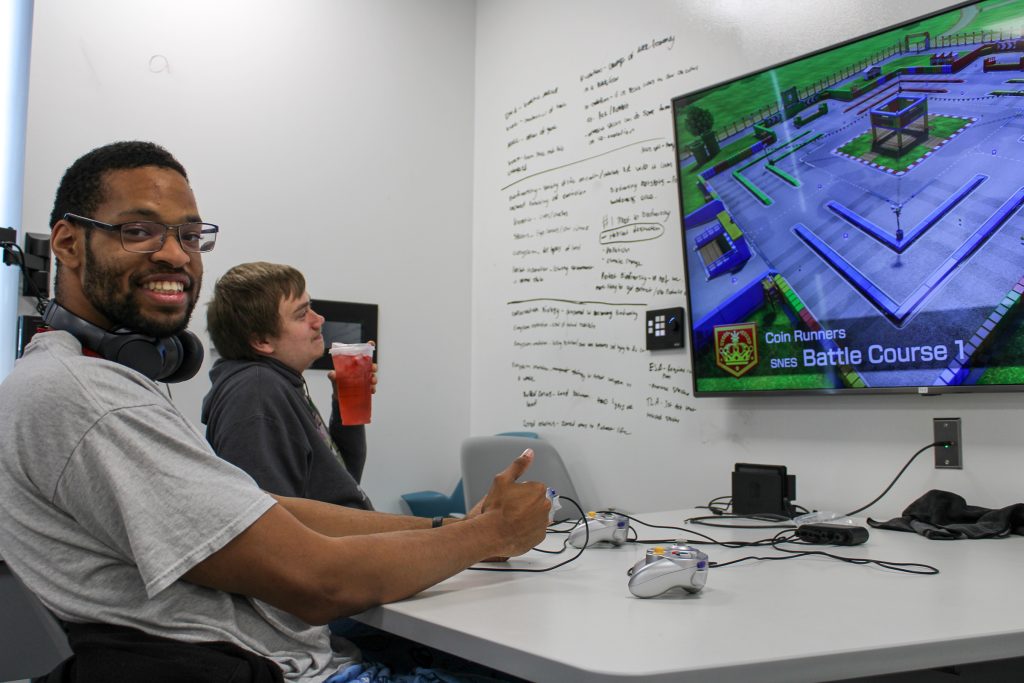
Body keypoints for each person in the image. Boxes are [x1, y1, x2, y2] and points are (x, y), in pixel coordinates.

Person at [0, 141, 550, 682]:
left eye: (190, 235)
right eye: (138, 230)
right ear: (68, 244)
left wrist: (447, 527)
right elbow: (317, 580)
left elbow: (264, 507)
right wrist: (490, 536)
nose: (175, 254)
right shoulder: (91, 398)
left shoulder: (95, 380)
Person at [202, 261, 374, 510]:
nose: (319, 320)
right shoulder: (257, 394)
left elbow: (345, 481)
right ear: (262, 340)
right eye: (302, 314)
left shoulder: (280, 383)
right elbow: (275, 525)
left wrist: (346, 402)